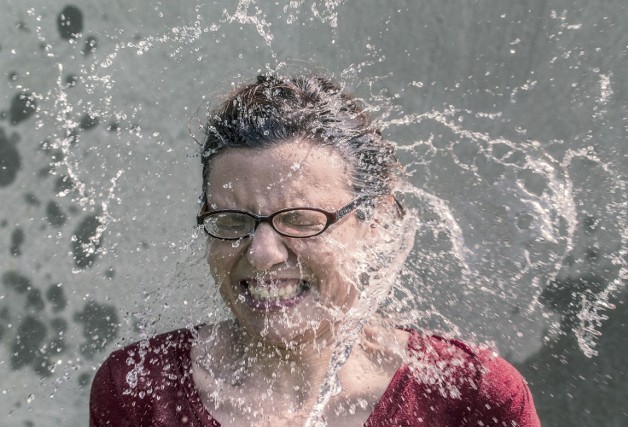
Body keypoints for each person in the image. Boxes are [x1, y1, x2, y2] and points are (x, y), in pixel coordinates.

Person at [90, 74, 540, 426]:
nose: (262, 253)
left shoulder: (472, 395)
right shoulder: (139, 387)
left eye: (301, 220)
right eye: (232, 222)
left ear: (377, 222)